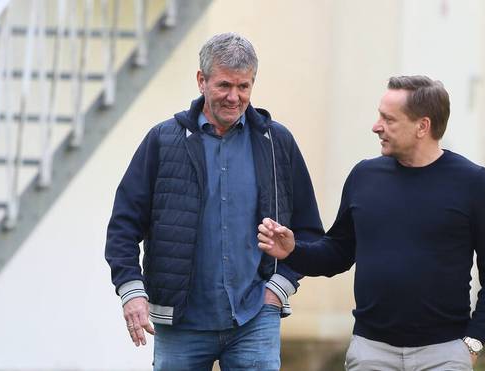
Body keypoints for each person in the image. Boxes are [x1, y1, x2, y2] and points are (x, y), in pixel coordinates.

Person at [258, 75, 485, 371]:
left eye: (388, 119)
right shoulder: (364, 177)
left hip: (443, 354)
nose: (376, 126)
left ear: (422, 126)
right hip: (371, 352)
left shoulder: (472, 183)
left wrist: (474, 341)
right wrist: (294, 251)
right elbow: (338, 254)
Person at [105, 32, 323, 371]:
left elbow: (308, 228)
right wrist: (131, 290)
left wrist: (279, 289)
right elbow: (123, 224)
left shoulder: (276, 142)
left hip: (255, 316)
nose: (234, 97)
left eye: (244, 87)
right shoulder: (164, 140)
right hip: (180, 324)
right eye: (224, 86)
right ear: (201, 81)